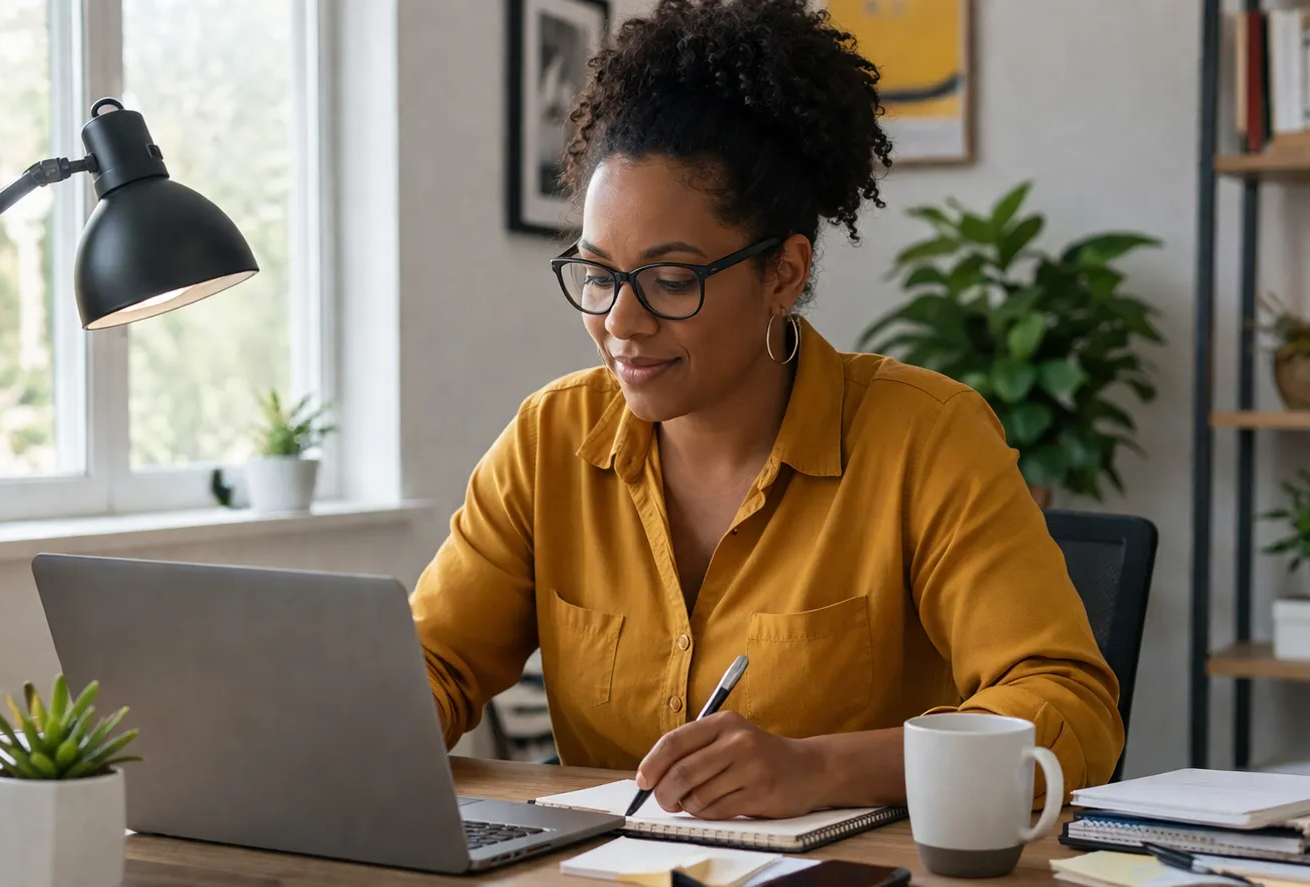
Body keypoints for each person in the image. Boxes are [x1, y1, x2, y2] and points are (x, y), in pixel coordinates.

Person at [410, 0, 1122, 821]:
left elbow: (1069, 710)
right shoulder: (549, 440)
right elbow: (432, 664)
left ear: (783, 274)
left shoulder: (926, 436)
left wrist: (820, 767)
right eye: (598, 274)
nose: (620, 321)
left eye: (671, 279)